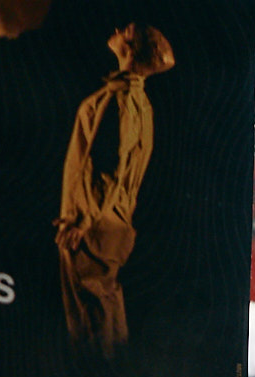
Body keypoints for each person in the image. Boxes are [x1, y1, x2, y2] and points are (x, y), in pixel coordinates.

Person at [56, 20, 175, 355]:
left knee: (92, 324)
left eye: (128, 31)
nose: (119, 30)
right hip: (108, 222)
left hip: (93, 226)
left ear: (132, 50)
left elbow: (111, 168)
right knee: (103, 313)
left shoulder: (121, 98)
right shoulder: (137, 100)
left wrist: (83, 221)